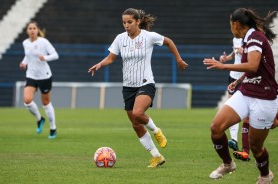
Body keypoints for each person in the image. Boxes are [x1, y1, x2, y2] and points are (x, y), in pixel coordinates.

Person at [88, 8, 188, 167]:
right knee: (135, 123)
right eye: (124, 22)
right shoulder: (120, 39)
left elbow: (168, 41)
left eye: (129, 22)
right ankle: (156, 156)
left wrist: (179, 60)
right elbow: (111, 58)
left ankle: (156, 131)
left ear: (137, 21)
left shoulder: (148, 37)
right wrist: (100, 64)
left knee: (138, 113)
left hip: (146, 83)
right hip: (128, 86)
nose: (126, 25)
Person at [203, 8, 277, 183]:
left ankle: (265, 175)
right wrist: (238, 82)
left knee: (256, 147)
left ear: (235, 24)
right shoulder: (248, 38)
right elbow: (254, 69)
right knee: (216, 128)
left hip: (264, 97)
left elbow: (252, 65)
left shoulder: (255, 38)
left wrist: (223, 67)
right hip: (246, 92)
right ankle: (228, 164)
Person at [19, 21, 59, 139]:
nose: (32, 30)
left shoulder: (43, 42)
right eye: (30, 28)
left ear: (37, 30)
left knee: (46, 103)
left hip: (44, 76)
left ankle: (53, 128)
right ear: (27, 31)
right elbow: (28, 55)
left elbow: (55, 55)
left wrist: (45, 57)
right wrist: (24, 63)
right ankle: (39, 119)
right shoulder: (25, 43)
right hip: (31, 75)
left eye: (34, 28)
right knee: (27, 100)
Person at [219, 38, 250, 161]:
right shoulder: (235, 38)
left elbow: (253, 59)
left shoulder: (248, 37)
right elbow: (234, 53)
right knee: (232, 108)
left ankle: (247, 147)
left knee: (247, 113)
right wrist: (227, 58)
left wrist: (244, 52)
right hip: (233, 76)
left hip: (244, 76)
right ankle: (234, 140)